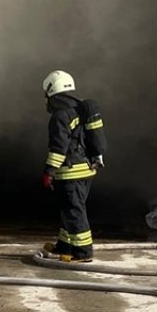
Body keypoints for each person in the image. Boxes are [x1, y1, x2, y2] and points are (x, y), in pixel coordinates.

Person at [40, 70, 107, 262]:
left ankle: (83, 252)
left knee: (73, 210)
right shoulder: (79, 109)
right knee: (68, 209)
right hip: (85, 169)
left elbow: (58, 148)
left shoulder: (60, 116)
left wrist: (49, 171)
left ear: (52, 90)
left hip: (70, 172)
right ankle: (65, 245)